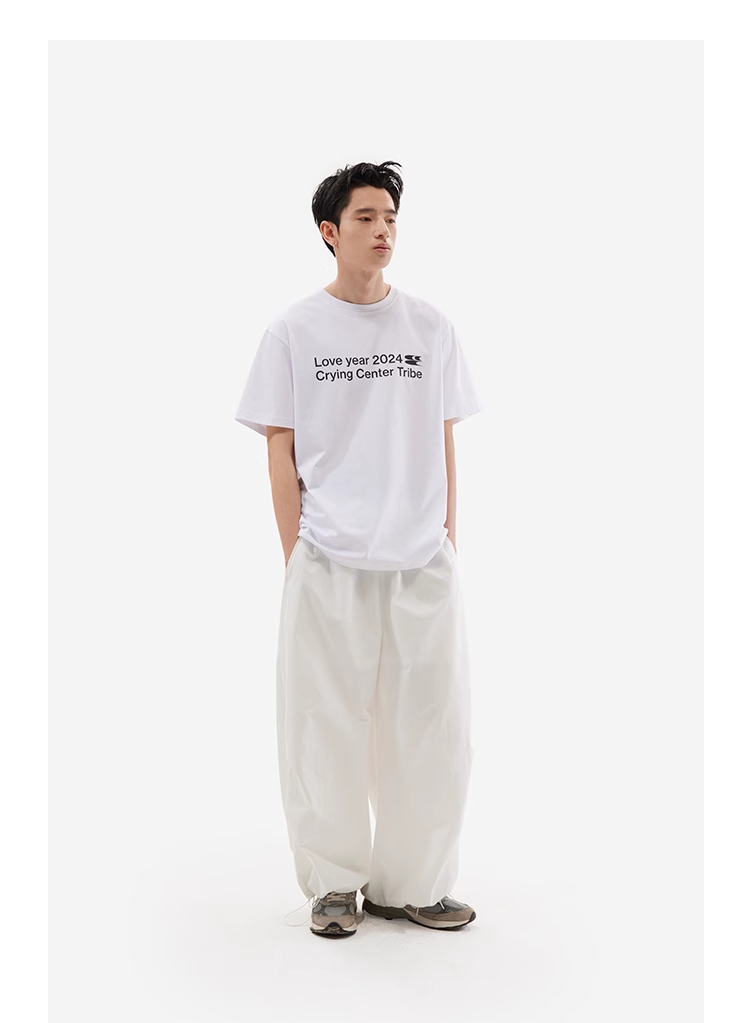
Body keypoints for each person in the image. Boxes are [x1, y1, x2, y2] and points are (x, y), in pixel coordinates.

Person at [234, 160, 482, 938]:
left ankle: (414, 883)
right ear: (329, 231)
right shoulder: (293, 331)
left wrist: (448, 540)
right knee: (323, 722)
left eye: (391, 218)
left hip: (420, 559)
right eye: (366, 218)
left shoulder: (430, 328)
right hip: (328, 556)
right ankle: (335, 884)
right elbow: (280, 448)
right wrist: (297, 556)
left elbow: (443, 438)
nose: (383, 231)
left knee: (431, 724)